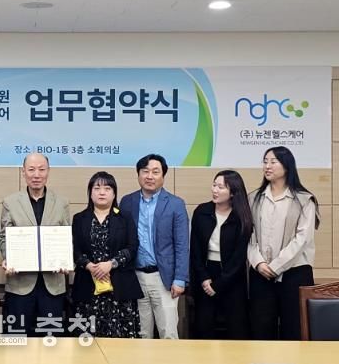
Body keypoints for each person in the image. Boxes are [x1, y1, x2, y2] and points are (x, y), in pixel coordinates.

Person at [248, 146, 320, 340]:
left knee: (294, 329)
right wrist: (258, 263)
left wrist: (275, 266)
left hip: (294, 273)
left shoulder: (304, 199)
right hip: (260, 273)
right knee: (261, 330)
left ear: (287, 166)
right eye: (265, 161)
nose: (267, 166)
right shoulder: (254, 198)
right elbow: (249, 234)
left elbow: (302, 239)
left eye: (273, 162)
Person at [0, 153, 71, 335]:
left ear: (48, 171)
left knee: (51, 338)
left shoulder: (61, 203)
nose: (36, 174)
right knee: (17, 337)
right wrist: (9, 257)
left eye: (41, 169)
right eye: (31, 169)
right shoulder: (10, 202)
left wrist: (65, 260)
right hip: (20, 283)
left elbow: (66, 237)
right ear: (23, 172)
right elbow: (4, 236)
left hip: (53, 284)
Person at [119, 153, 189, 339]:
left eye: (155, 172)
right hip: (135, 277)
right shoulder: (127, 202)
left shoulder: (175, 204)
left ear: (163, 175)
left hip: (164, 278)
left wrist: (180, 279)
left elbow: (182, 244)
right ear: (138, 174)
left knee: (168, 332)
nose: (149, 176)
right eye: (145, 171)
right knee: (141, 334)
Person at [72, 171, 142, 338]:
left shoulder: (124, 217)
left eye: (107, 188)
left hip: (119, 288)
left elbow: (132, 247)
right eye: (97, 188)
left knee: (121, 341)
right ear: (90, 193)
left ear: (114, 193)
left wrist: (111, 264)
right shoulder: (79, 218)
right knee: (88, 340)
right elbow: (74, 249)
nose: (102, 192)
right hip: (88, 287)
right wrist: (89, 265)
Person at [190, 170, 252, 339]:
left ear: (233, 193)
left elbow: (239, 257)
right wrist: (204, 279)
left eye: (221, 187)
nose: (215, 190)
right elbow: (195, 250)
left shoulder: (242, 217)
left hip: (232, 277)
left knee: (237, 328)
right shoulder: (201, 212)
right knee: (203, 326)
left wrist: (219, 284)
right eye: (214, 185)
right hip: (206, 274)